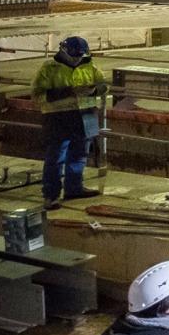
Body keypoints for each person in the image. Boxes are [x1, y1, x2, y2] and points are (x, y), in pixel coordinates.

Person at [34, 34, 107, 210]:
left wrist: (93, 91)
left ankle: (74, 188)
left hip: (85, 115)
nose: (76, 60)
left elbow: (103, 86)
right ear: (63, 51)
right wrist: (68, 92)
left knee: (80, 154)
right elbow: (38, 95)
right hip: (59, 117)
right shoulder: (49, 68)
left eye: (79, 57)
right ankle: (51, 196)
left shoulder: (90, 66)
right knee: (56, 157)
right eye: (74, 56)